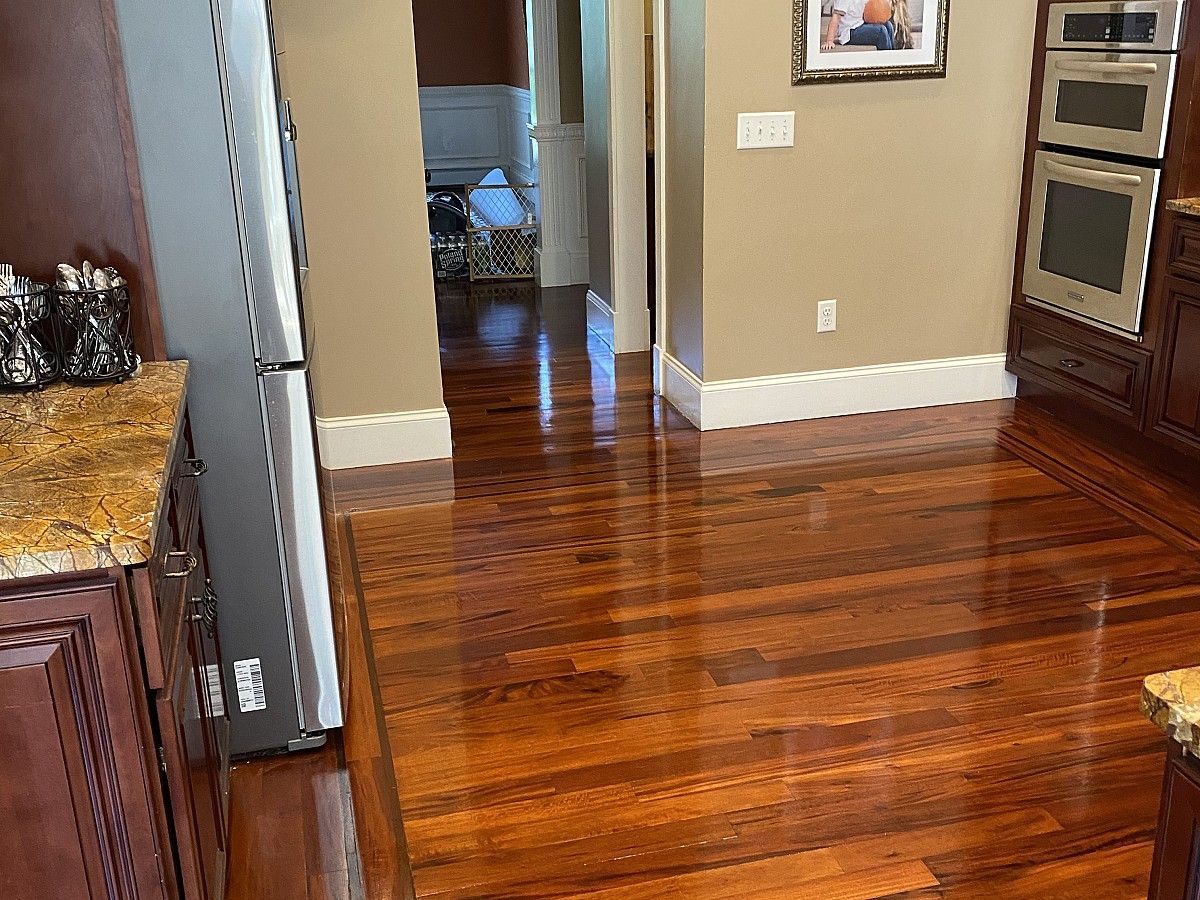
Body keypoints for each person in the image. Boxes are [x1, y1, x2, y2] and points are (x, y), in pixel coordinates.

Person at [821, 0, 895, 51]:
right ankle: (886, 61)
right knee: (880, 31)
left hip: (860, 24)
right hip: (849, 32)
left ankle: (893, 57)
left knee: (888, 25)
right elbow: (836, 17)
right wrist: (829, 40)